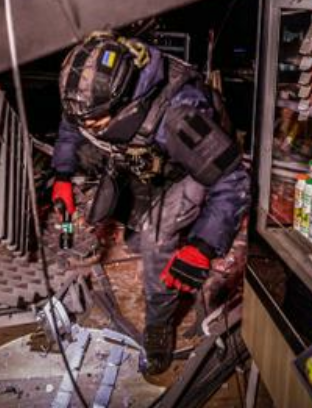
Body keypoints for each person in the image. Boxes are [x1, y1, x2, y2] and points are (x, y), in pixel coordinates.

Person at [51, 31, 250, 375]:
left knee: (156, 243)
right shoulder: (90, 95)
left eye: (95, 120)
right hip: (153, 156)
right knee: (131, 227)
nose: (88, 126)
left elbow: (233, 180)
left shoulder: (180, 116)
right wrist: (63, 175)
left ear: (125, 101)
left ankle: (159, 324)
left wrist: (203, 246)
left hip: (192, 167)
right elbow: (73, 126)